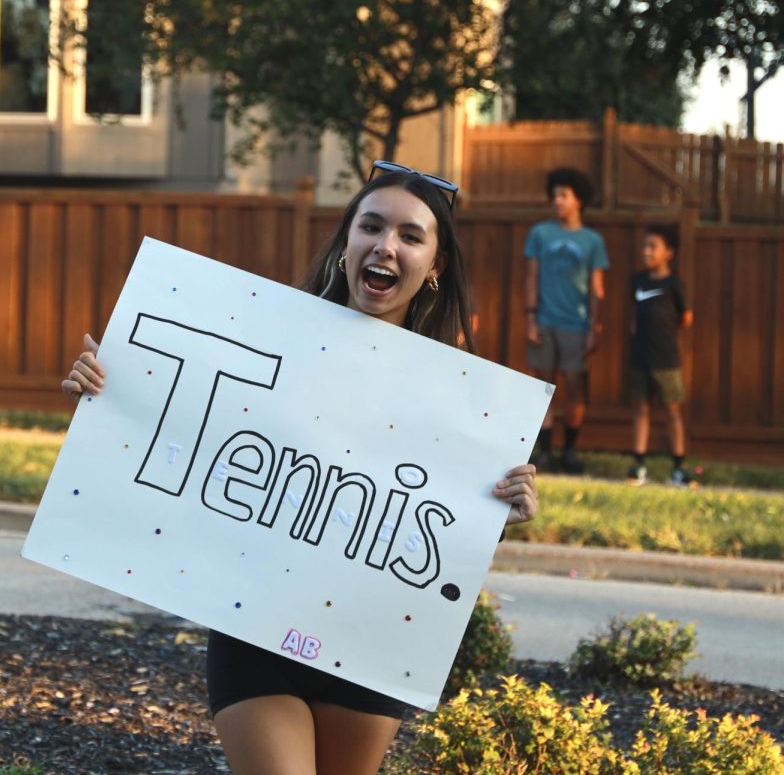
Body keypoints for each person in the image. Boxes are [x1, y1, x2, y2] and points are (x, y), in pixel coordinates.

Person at [61, 161, 541, 775]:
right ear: (347, 242)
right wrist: (114, 390)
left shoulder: (463, 403)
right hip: (254, 627)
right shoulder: (267, 339)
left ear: (434, 267)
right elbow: (185, 424)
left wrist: (504, 508)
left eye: (410, 235)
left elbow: (437, 523)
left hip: (365, 640)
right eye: (371, 226)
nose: (385, 245)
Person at [524, 167, 609, 474]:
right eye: (554, 195)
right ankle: (544, 451)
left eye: (564, 195)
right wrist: (531, 317)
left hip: (577, 325)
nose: (557, 201)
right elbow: (531, 276)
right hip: (544, 320)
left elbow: (597, 288)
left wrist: (594, 327)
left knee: (575, 389)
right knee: (543, 388)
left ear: (579, 200)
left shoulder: (592, 241)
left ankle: (570, 451)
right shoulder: (540, 234)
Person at [626, 225, 694, 487]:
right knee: (641, 409)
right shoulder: (638, 281)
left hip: (666, 358)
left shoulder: (674, 284)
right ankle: (638, 466)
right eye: (645, 246)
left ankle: (678, 467)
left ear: (669, 252)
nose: (646, 251)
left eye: (653, 246)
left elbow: (685, 318)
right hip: (639, 356)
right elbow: (635, 315)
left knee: (673, 411)